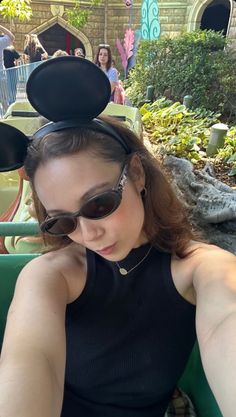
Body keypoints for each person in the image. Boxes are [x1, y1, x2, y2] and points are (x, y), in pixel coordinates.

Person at [0, 57, 236, 417]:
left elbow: (226, 322)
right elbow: (33, 359)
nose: (88, 233)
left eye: (99, 203)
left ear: (138, 174)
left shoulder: (201, 268)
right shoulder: (50, 276)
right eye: (63, 222)